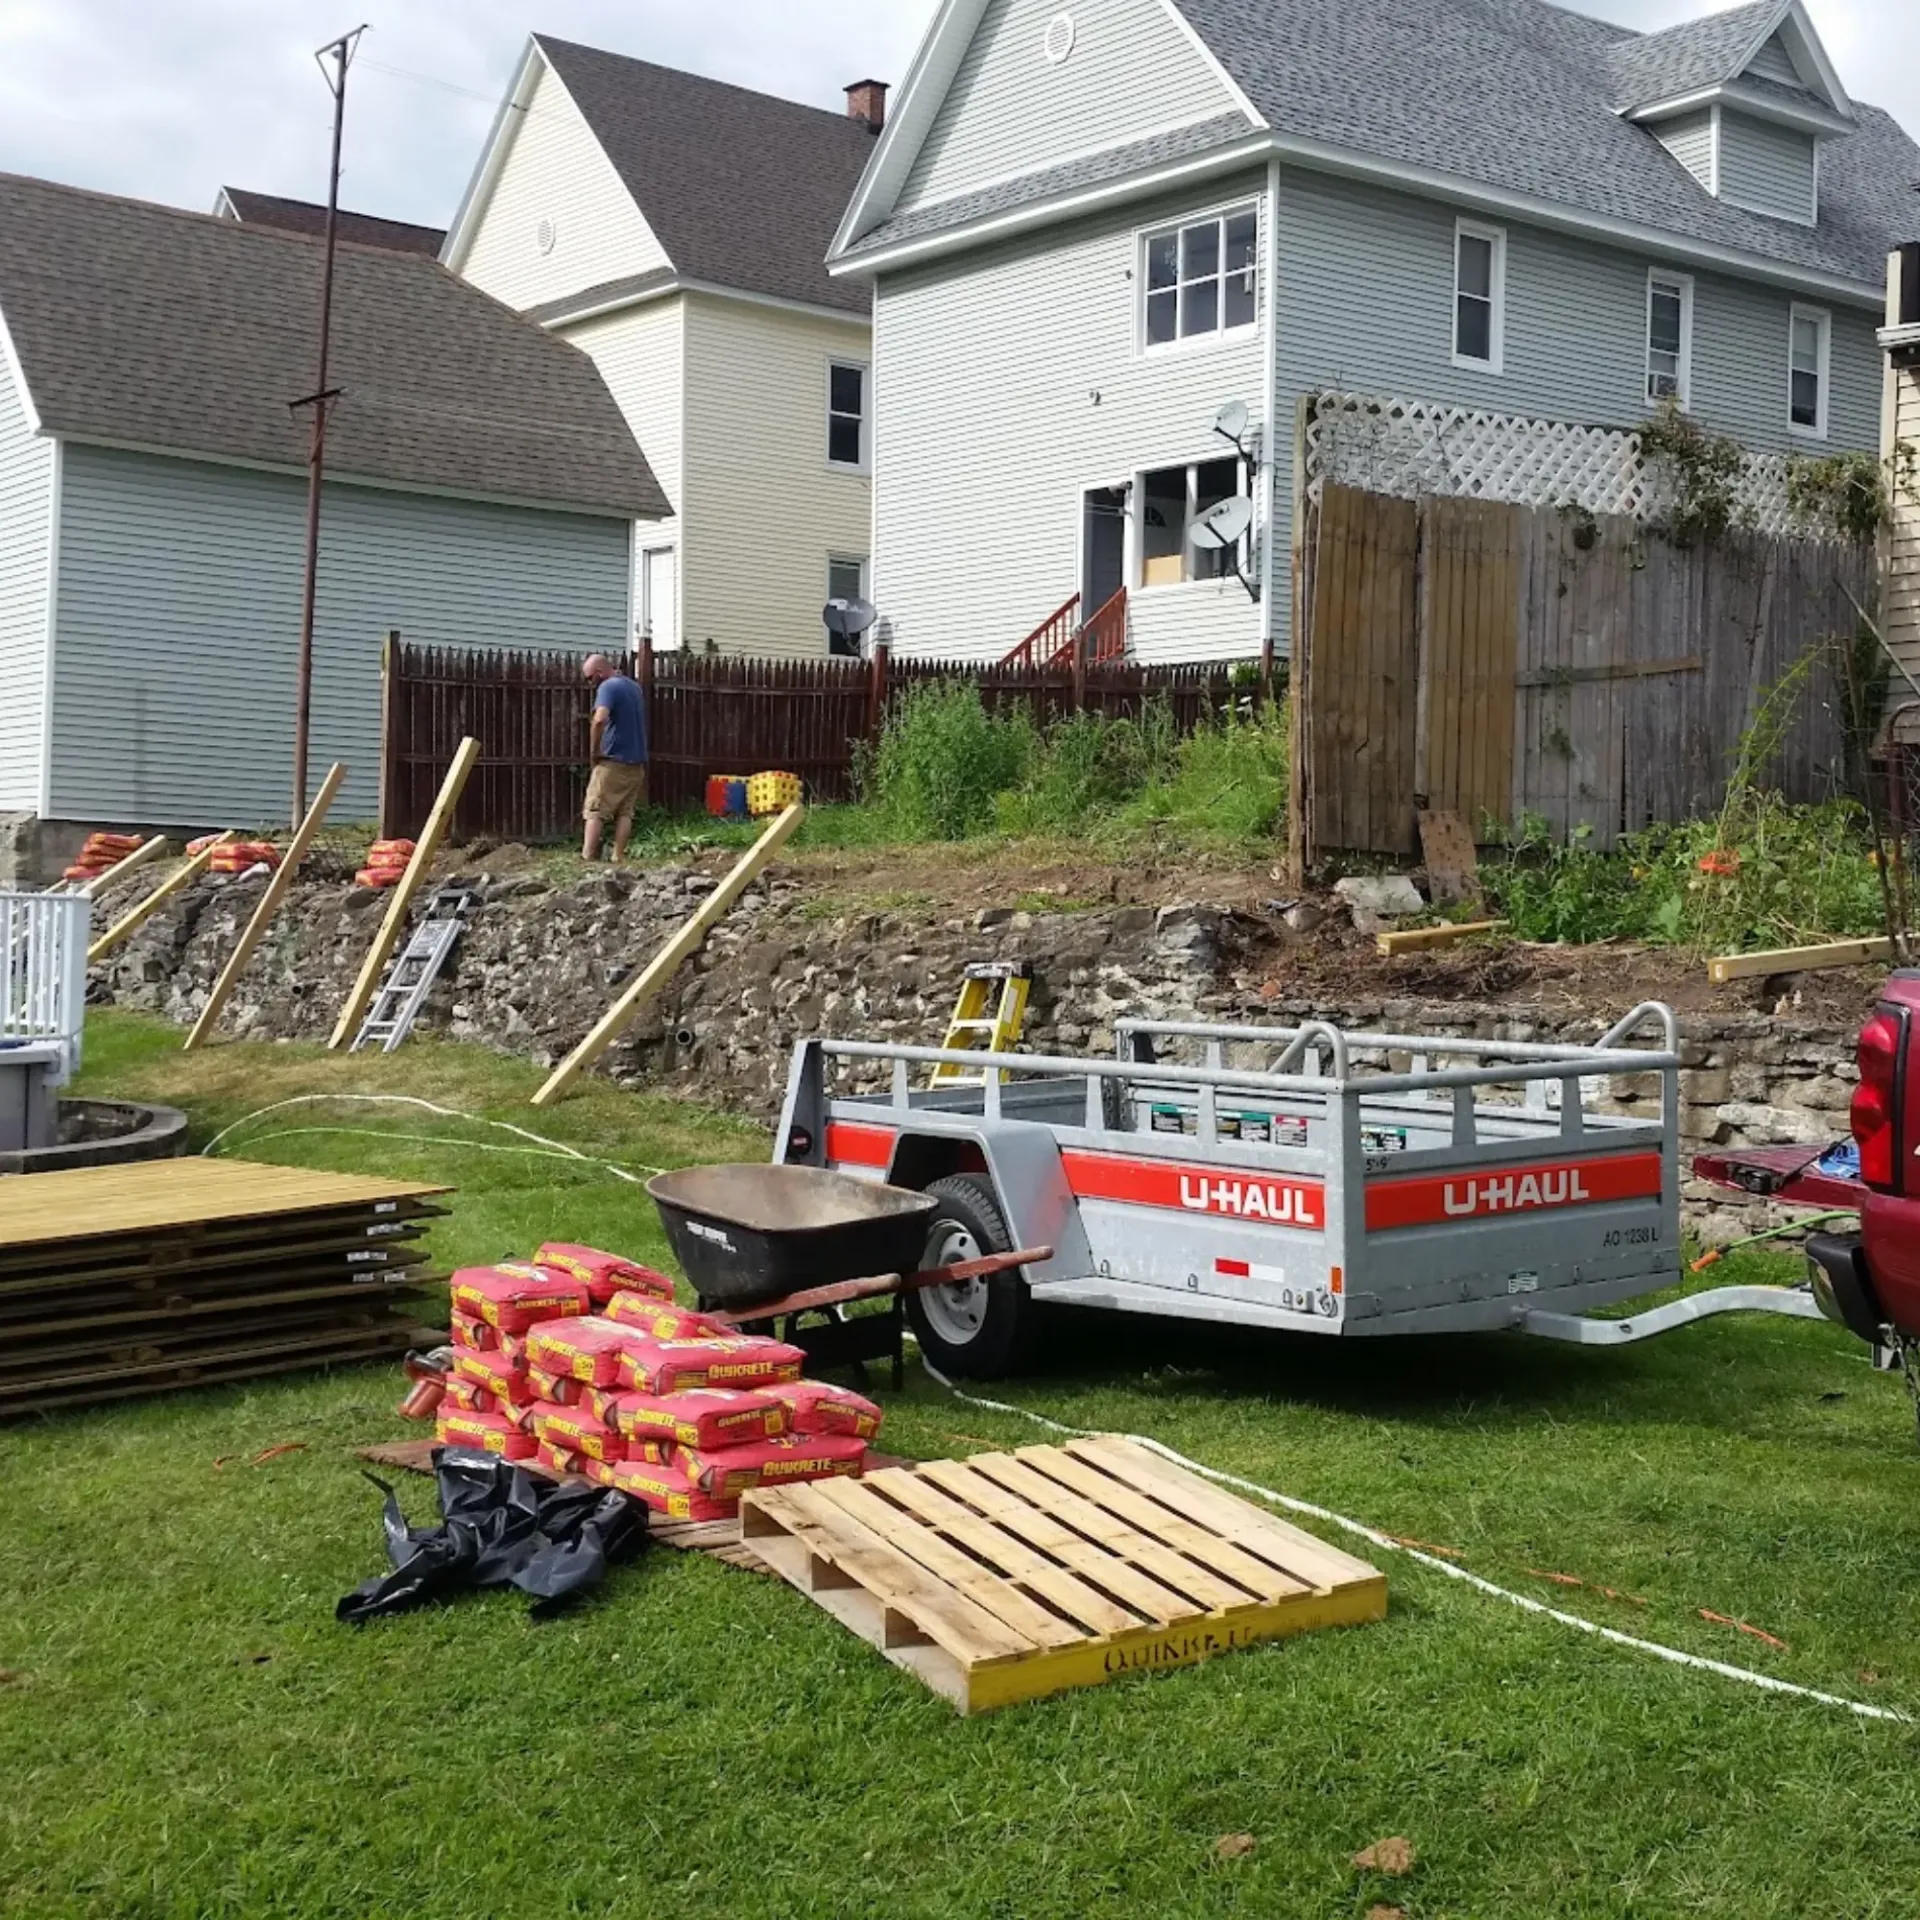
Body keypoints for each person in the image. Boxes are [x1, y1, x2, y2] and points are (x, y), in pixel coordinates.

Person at [581, 653, 649, 863]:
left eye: (590, 678)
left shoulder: (608, 687)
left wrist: (594, 751)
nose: (590, 683)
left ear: (600, 673)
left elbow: (600, 719)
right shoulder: (633, 687)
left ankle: (587, 857)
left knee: (595, 808)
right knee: (625, 812)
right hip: (636, 763)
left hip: (613, 761)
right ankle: (618, 855)